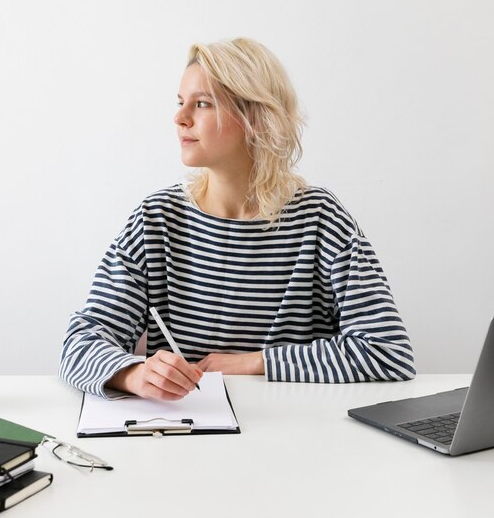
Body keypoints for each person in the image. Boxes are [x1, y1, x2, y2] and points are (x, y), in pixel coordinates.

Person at [60, 38, 415, 400]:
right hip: (181, 435)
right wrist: (133, 374)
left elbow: (389, 352)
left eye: (202, 103)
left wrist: (253, 361)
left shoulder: (321, 219)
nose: (180, 118)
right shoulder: (156, 221)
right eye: (181, 103)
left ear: (256, 118)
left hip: (297, 437)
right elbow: (79, 344)